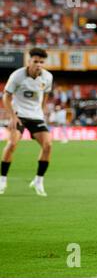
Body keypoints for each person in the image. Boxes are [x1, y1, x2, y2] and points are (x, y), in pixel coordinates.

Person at [0, 48, 53, 197]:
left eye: (41, 62)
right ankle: (2, 180)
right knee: (12, 144)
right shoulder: (17, 76)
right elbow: (6, 96)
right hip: (19, 115)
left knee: (48, 145)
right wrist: (12, 116)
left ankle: (38, 181)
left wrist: (42, 111)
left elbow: (46, 93)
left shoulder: (48, 77)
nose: (38, 64)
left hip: (36, 116)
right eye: (35, 61)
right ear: (29, 61)